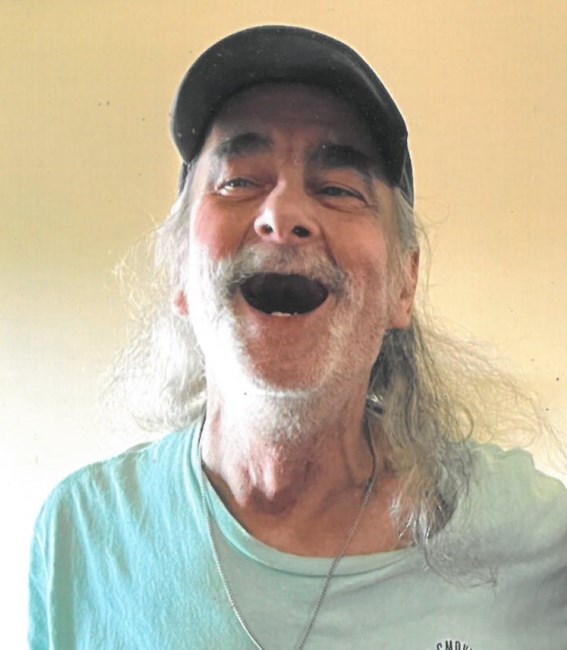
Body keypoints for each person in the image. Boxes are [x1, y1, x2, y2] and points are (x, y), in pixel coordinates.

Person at [29, 26, 567, 649]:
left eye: (338, 189)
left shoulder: (541, 540)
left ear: (404, 283)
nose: (281, 216)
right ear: (180, 270)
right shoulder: (79, 534)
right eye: (238, 181)